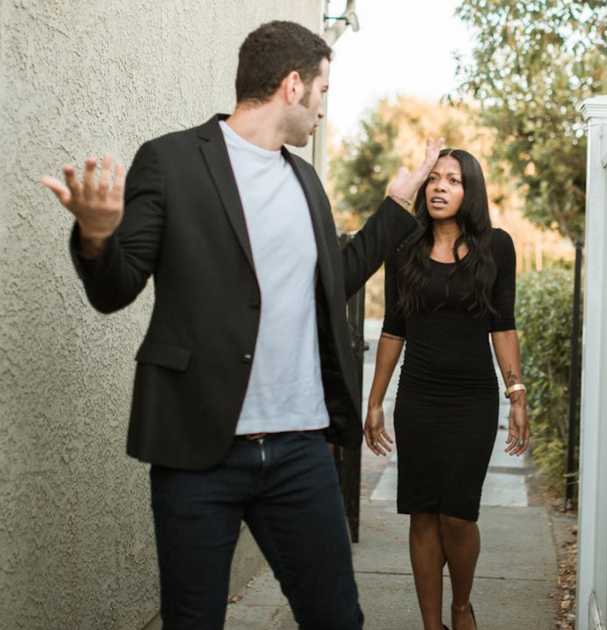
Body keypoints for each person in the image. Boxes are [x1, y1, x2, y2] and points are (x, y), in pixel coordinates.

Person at [39, 20, 438, 629]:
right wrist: (96, 235)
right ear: (292, 85)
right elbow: (116, 289)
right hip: (199, 449)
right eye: (323, 93)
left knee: (337, 619)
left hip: (300, 449)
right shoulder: (171, 161)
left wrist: (396, 207)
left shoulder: (305, 180)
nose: (323, 111)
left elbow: (332, 281)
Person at [363, 148, 530, 630]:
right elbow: (393, 328)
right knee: (422, 514)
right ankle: (431, 624)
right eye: (433, 178)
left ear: (470, 190)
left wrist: (516, 394)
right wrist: (374, 401)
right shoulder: (403, 247)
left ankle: (461, 606)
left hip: (472, 400)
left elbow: (503, 325)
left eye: (453, 180)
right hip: (418, 399)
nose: (439, 187)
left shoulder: (496, 246)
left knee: (457, 514)